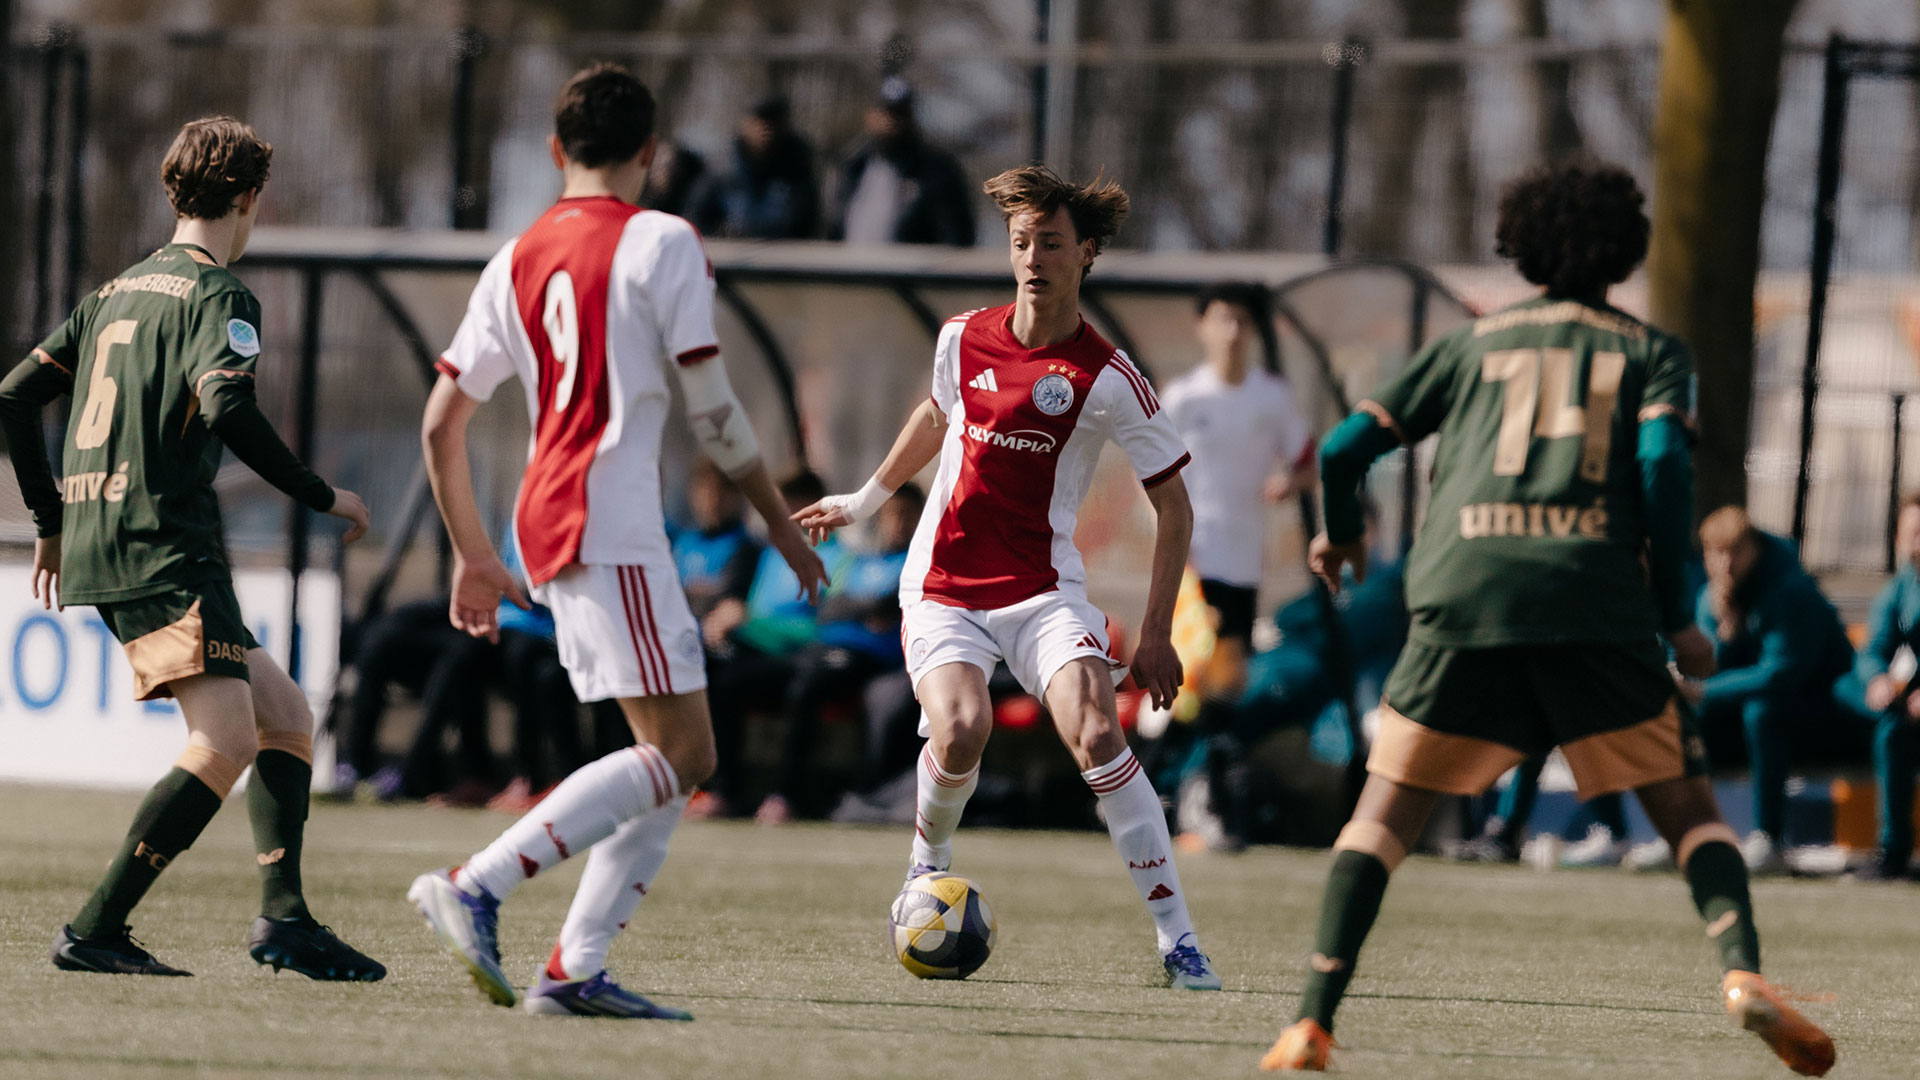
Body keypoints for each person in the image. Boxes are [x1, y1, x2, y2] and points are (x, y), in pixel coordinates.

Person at [1259, 162, 1834, 1075]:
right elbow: (1662, 472)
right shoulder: (1651, 351)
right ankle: (1743, 974)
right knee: (1688, 811)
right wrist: (1678, 614)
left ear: (1519, 242)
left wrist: (1339, 537)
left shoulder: (1469, 344)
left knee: (1382, 819)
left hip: (1459, 592)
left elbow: (1341, 447)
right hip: (1590, 597)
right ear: (1623, 247)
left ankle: (1311, 1019)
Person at [406, 64, 828, 1020]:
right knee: (681, 754)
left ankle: (573, 969)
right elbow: (715, 418)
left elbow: (441, 426)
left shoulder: (514, 256)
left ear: (556, 152)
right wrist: (776, 518)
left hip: (544, 516)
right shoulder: (661, 239)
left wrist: (475, 552)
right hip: (611, 518)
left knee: (679, 753)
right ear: (650, 153)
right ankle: (477, 885)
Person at [797, 165, 1219, 990]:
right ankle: (926, 870)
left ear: (1084, 254)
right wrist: (866, 496)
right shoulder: (963, 337)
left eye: (1050, 244)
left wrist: (1161, 629)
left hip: (1043, 591)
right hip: (944, 583)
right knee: (959, 729)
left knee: (1099, 735)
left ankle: (1179, 941)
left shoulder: (1107, 376)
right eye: (1021, 242)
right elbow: (934, 412)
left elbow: (1176, 509)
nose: (1032, 258)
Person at [0, 116, 383, 980]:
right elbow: (228, 409)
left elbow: (15, 398)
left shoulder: (115, 291)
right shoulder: (220, 297)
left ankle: (285, 919)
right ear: (250, 199)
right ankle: (96, 927)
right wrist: (322, 495)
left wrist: (51, 519)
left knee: (283, 717)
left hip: (106, 535)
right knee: (225, 740)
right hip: (165, 543)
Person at [1160, 281, 1315, 846]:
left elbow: (1307, 457)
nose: (1232, 332)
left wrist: (1289, 481)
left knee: (1220, 688)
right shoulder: (1182, 398)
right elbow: (1150, 469)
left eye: (1243, 321)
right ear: (1202, 325)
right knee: (1198, 683)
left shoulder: (1270, 398)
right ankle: (1181, 795)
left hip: (1242, 566)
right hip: (1190, 567)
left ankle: (1170, 793)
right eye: (1222, 318)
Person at [1683, 507, 1857, 874]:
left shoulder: (1791, 590)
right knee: (1690, 716)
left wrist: (1703, 691)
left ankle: (1769, 837)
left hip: (1827, 716)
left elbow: (1782, 675)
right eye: (1716, 553)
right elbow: (1705, 670)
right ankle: (1689, 832)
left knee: (1761, 711)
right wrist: (1721, 631)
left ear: (1756, 549)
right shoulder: (1710, 596)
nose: (1726, 564)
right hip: (1759, 723)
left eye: (1735, 552)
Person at [755, 482, 924, 824]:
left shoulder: (919, 562)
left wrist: (856, 606)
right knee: (739, 679)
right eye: (892, 515)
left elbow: (885, 605)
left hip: (870, 659)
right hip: (823, 647)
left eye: (907, 516)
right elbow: (827, 608)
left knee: (808, 686)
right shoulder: (858, 561)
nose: (898, 524)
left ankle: (786, 794)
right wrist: (862, 609)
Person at [1851, 491, 1920, 880]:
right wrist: (1877, 678)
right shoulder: (1900, 588)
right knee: (1891, 731)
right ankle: (1893, 851)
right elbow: (1873, 649)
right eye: (1914, 531)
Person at [830, 77, 975, 247]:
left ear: (911, 118)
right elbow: (834, 228)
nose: (891, 122)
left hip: (909, 271)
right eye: (885, 112)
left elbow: (955, 235)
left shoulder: (936, 173)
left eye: (899, 114)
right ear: (870, 115)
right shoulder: (854, 168)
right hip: (851, 268)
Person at [688, 95, 821, 240]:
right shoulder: (720, 168)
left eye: (773, 122)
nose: (766, 129)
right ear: (745, 124)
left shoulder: (798, 170)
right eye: (759, 120)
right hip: (728, 256)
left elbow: (808, 224)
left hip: (784, 257)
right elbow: (696, 217)